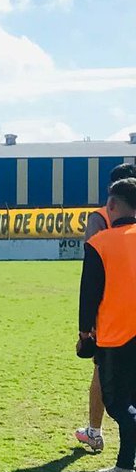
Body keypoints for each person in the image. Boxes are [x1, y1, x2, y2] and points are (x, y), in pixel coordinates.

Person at [74, 162, 136, 452]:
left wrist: (86, 329)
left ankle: (95, 432)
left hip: (111, 310)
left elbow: (93, 270)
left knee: (105, 373)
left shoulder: (100, 219)